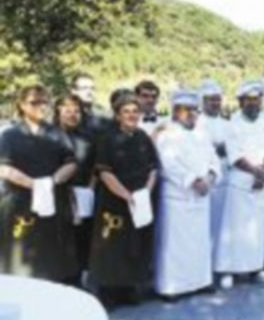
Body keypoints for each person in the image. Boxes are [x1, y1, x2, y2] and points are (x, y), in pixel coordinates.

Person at [0, 85, 79, 283]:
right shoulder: (10, 135)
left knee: (51, 254)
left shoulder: (57, 133)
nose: (41, 106)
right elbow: (3, 168)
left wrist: (51, 182)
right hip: (20, 202)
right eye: (35, 102)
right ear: (22, 105)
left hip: (53, 200)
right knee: (19, 255)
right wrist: (34, 185)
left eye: (45, 102)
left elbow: (71, 163)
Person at [89, 89, 159, 307]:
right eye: (126, 111)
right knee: (111, 246)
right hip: (115, 201)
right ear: (118, 115)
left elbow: (153, 168)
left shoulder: (143, 137)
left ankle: (129, 288)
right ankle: (108, 293)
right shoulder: (107, 139)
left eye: (135, 111)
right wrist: (127, 196)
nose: (131, 115)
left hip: (140, 201)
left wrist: (145, 192)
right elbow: (105, 172)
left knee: (136, 245)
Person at [154, 90, 220, 300]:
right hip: (178, 197)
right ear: (175, 111)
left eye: (194, 109)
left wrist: (210, 178)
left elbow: (214, 161)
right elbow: (168, 165)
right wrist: (194, 181)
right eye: (186, 110)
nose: (191, 113)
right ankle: (171, 287)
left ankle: (200, 282)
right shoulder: (166, 135)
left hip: (201, 197)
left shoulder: (202, 134)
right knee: (174, 246)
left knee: (199, 243)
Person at [214, 80, 264, 289]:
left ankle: (256, 268)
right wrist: (255, 171)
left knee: (257, 228)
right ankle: (228, 270)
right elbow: (235, 153)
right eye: (248, 100)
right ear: (240, 102)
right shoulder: (234, 122)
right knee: (235, 227)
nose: (253, 104)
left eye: (256, 100)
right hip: (240, 180)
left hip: (261, 181)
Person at [53, 94, 96, 282]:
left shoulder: (87, 137)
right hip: (58, 196)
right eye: (67, 109)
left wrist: (90, 190)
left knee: (81, 240)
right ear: (58, 111)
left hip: (83, 194)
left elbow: (96, 166)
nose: (72, 114)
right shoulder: (50, 136)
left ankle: (78, 280)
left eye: (77, 110)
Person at [195, 79, 230, 261]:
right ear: (202, 101)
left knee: (221, 225)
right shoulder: (197, 122)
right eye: (211, 99)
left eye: (218, 99)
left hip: (223, 179)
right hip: (203, 179)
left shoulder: (226, 123)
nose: (215, 103)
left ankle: (218, 263)